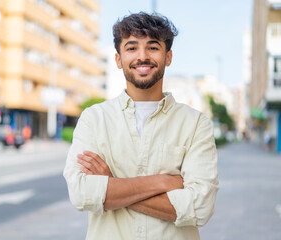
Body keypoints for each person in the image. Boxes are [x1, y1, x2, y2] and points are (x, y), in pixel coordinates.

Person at [64, 12, 219, 240]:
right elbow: (81, 193)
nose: (142, 56)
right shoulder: (93, 119)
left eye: (153, 47)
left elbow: (200, 207)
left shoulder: (196, 124)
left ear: (168, 57)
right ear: (119, 59)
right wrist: (163, 183)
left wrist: (113, 186)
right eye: (132, 48)